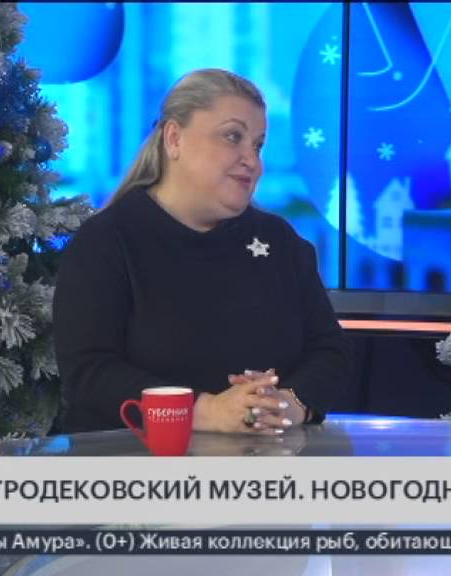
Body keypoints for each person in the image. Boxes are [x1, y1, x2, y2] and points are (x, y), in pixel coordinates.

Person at [53, 69, 350, 435]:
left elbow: (331, 352)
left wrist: (288, 404)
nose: (253, 161)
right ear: (174, 139)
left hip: (270, 462)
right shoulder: (106, 242)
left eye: (257, 145)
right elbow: (90, 374)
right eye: (232, 137)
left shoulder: (280, 241)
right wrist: (206, 411)